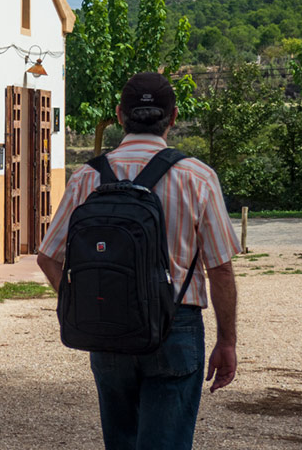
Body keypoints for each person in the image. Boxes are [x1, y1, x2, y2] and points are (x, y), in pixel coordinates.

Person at [37, 71, 239, 450]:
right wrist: (226, 341)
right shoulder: (197, 177)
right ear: (174, 117)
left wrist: (83, 303)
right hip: (175, 325)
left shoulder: (86, 177)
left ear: (118, 115)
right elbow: (221, 269)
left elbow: (48, 257)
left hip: (107, 323)